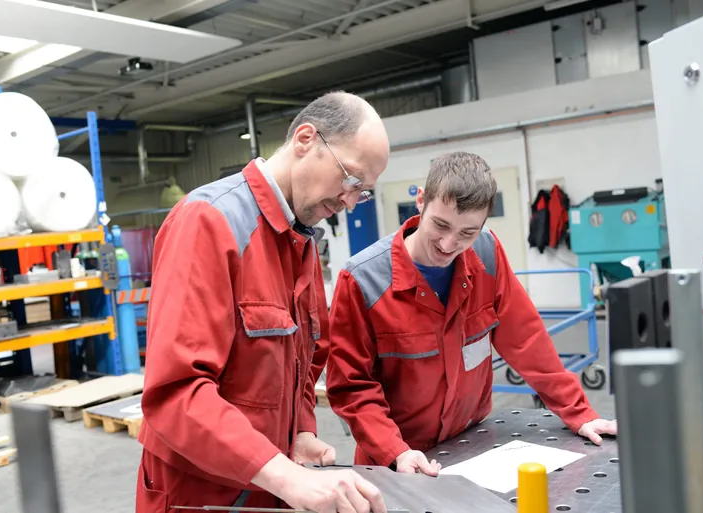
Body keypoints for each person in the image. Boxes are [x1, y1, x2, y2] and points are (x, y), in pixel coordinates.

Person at [136, 91, 391, 513]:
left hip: (267, 485)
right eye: (350, 179)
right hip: (200, 495)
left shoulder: (301, 239)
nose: (349, 202)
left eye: (362, 193)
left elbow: (305, 363)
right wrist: (285, 475)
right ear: (306, 140)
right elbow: (177, 394)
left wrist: (300, 432)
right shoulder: (209, 222)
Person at [325, 151, 617, 476]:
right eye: (441, 225)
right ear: (421, 201)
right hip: (393, 465)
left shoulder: (487, 255)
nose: (449, 244)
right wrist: (396, 451)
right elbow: (353, 386)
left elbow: (526, 340)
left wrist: (580, 412)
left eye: (467, 232)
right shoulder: (363, 280)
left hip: (469, 448)